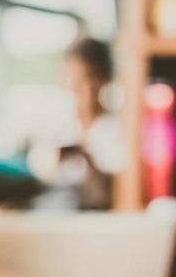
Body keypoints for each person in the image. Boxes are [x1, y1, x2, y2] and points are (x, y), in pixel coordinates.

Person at [32, 37, 125, 209]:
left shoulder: (117, 128)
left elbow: (119, 191)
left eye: (92, 79)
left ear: (105, 79)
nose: (87, 90)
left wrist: (90, 163)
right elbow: (39, 173)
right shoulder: (56, 125)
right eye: (78, 81)